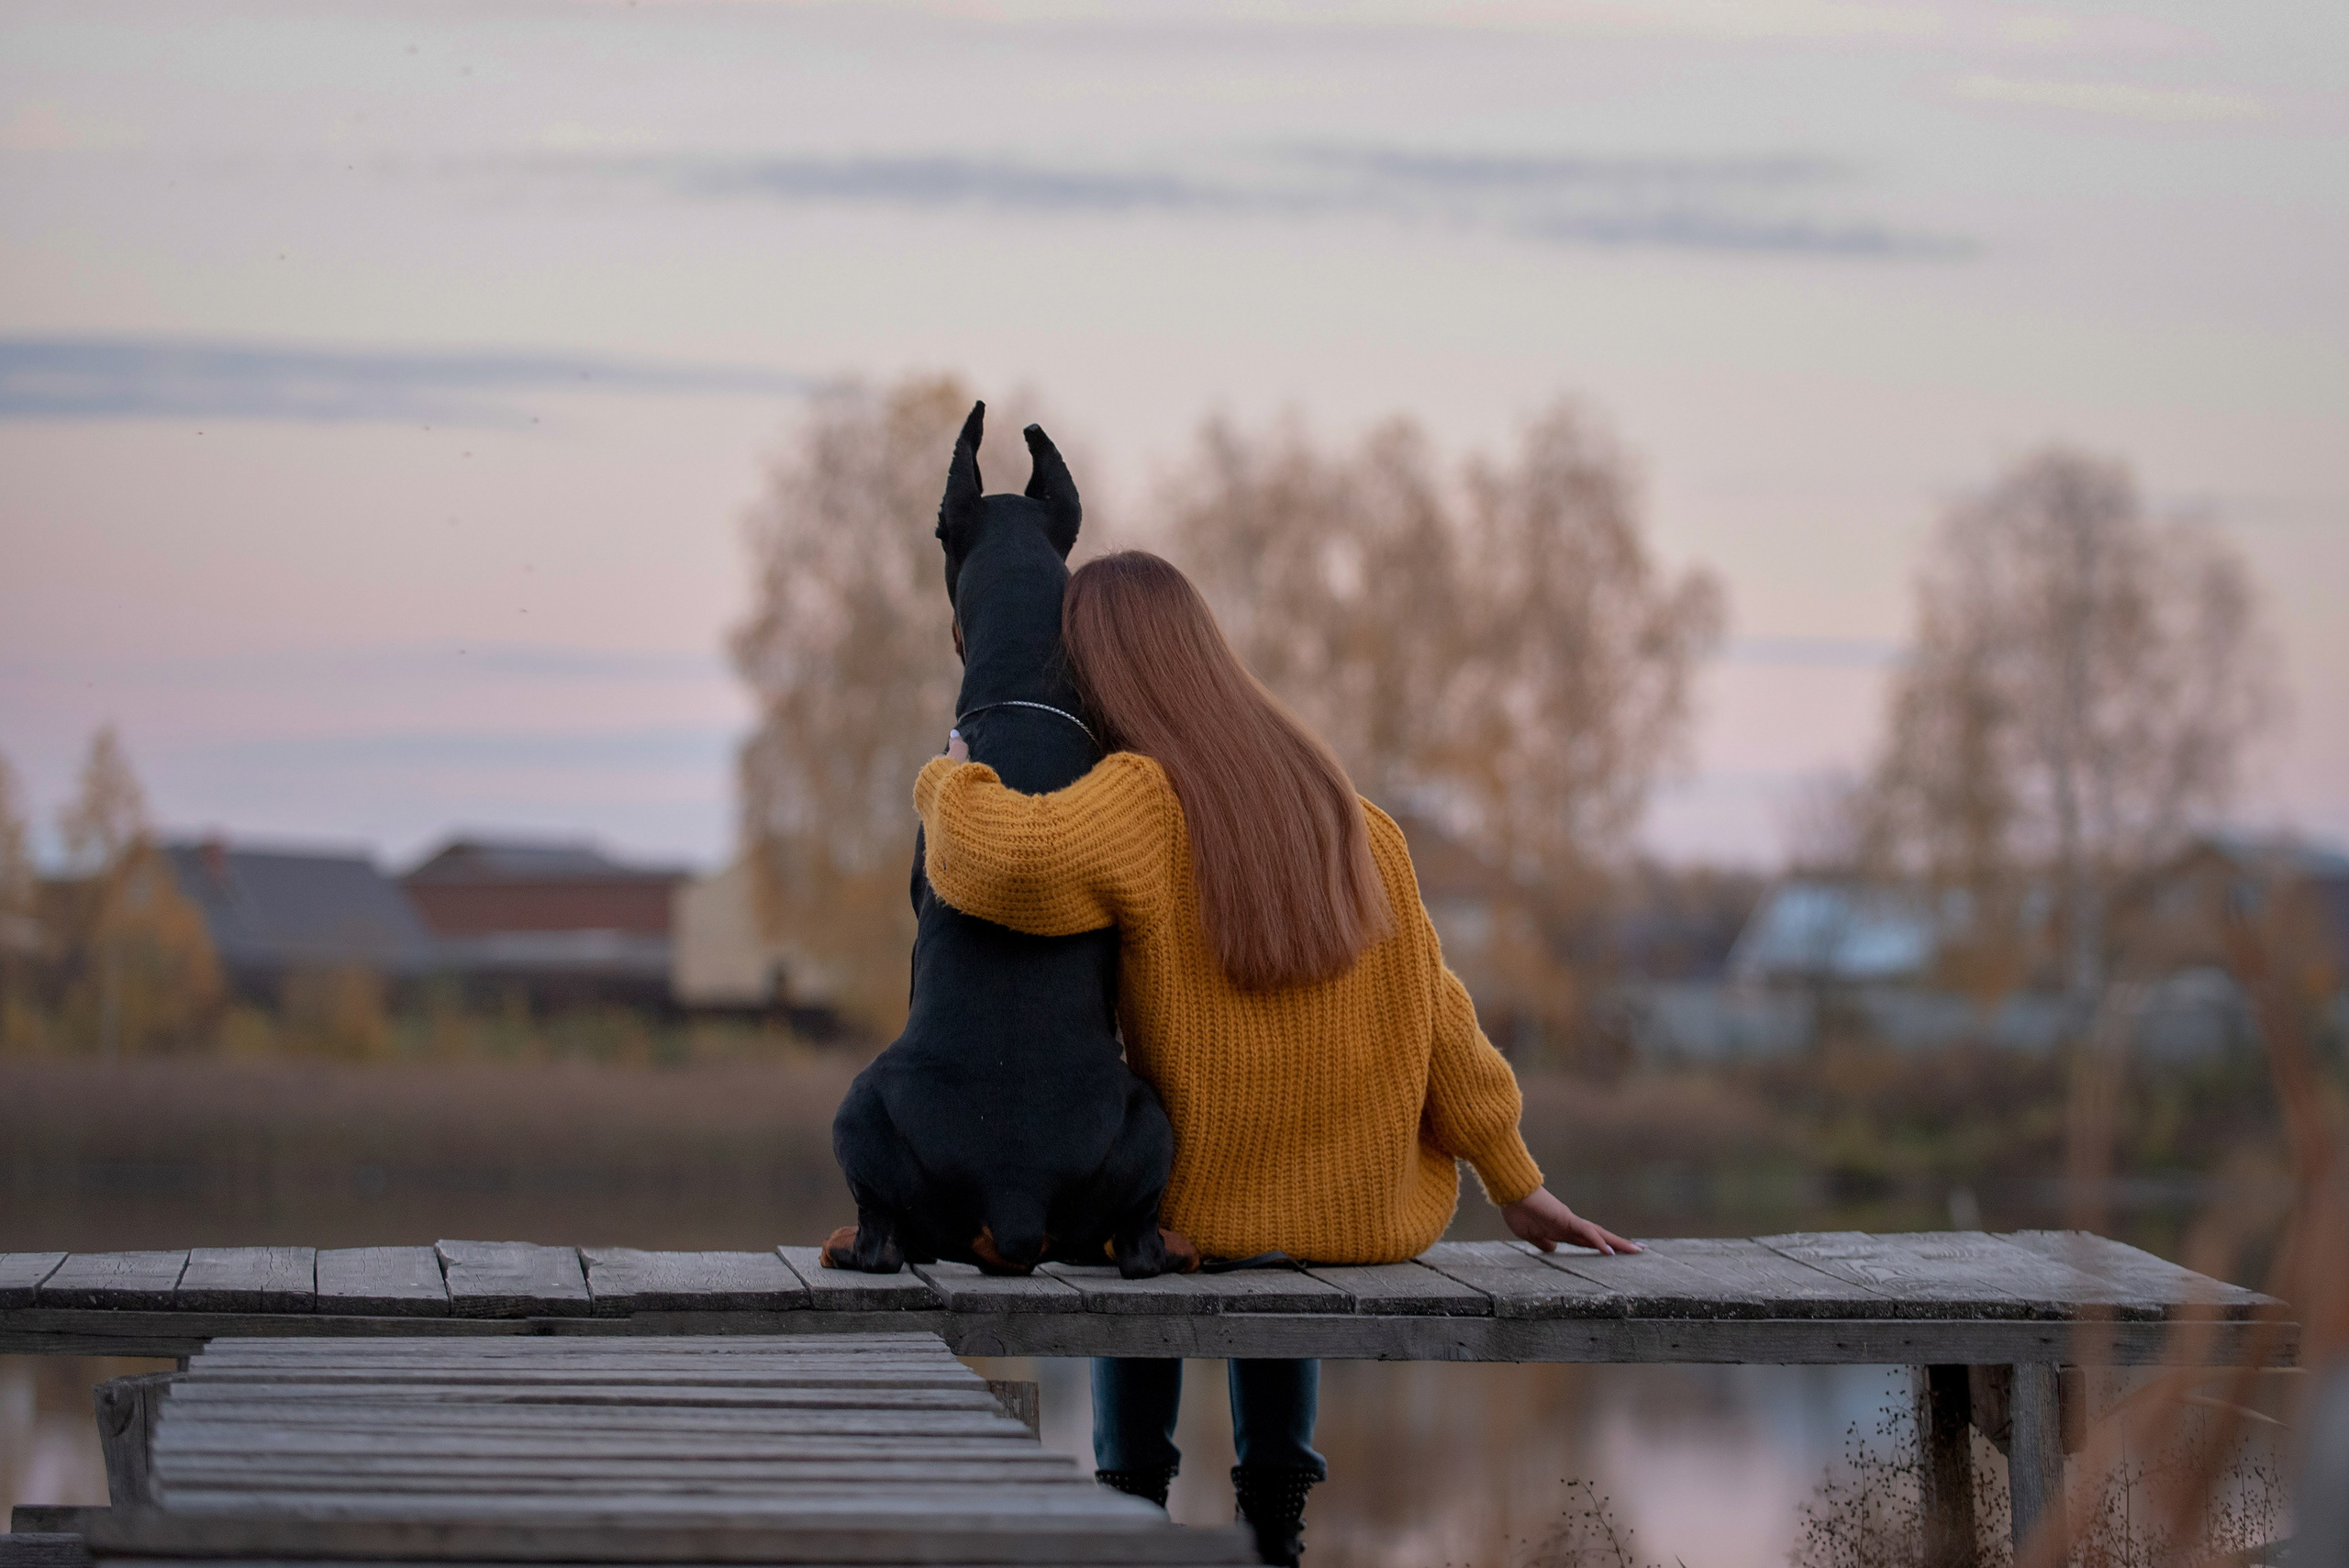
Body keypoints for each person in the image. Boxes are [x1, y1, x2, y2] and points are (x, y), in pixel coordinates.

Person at [911, 549, 1636, 1566]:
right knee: (1277, 1249)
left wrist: (950, 770)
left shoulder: (1142, 798)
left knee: (1144, 1230)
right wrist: (1513, 1175)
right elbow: (1438, 1007)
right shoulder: (1347, 809)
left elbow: (1000, 862)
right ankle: (1278, 1528)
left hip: (1195, 1211)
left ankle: (1134, 1504)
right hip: (1353, 1218)